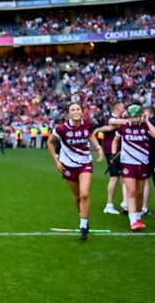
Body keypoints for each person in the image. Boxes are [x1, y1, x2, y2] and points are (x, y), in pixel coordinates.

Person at [46, 102, 104, 241]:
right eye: (73, 109)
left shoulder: (87, 124)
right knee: (77, 196)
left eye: (78, 109)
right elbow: (50, 142)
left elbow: (90, 135)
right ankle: (83, 217)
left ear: (82, 111)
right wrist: (57, 162)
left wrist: (98, 148)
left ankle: (83, 226)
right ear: (69, 113)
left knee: (84, 194)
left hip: (85, 163)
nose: (76, 111)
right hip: (68, 166)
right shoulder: (61, 128)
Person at [111, 103, 155, 231]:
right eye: (132, 117)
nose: (134, 119)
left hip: (142, 163)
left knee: (139, 193)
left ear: (140, 116)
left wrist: (147, 121)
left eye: (136, 117)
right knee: (131, 191)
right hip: (127, 163)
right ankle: (133, 220)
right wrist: (113, 154)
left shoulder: (145, 127)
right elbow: (115, 140)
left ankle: (137, 216)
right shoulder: (123, 128)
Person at [94, 101, 126, 215]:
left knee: (122, 177)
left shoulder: (115, 121)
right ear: (117, 108)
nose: (125, 109)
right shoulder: (111, 119)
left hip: (118, 151)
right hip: (111, 152)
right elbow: (110, 125)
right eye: (123, 107)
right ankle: (109, 204)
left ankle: (125, 202)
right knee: (114, 177)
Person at [140, 106, 155, 216]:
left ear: (151, 115)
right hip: (144, 155)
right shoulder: (141, 123)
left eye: (144, 113)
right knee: (144, 180)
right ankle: (144, 207)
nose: (142, 116)